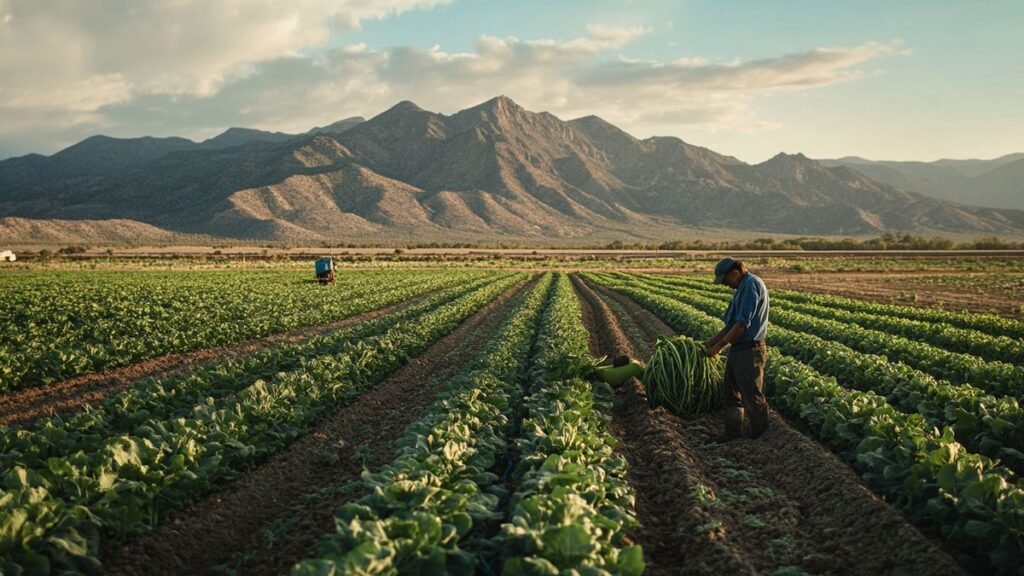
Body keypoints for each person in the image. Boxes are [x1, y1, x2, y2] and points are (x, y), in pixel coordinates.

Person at [703, 257, 770, 442]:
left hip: (750, 348)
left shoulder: (751, 285)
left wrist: (718, 347)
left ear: (735, 272)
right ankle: (733, 433)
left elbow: (742, 324)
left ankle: (762, 437)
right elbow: (731, 325)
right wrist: (711, 342)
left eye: (725, 280)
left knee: (751, 394)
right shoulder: (741, 288)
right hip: (739, 348)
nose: (725, 285)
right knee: (731, 391)